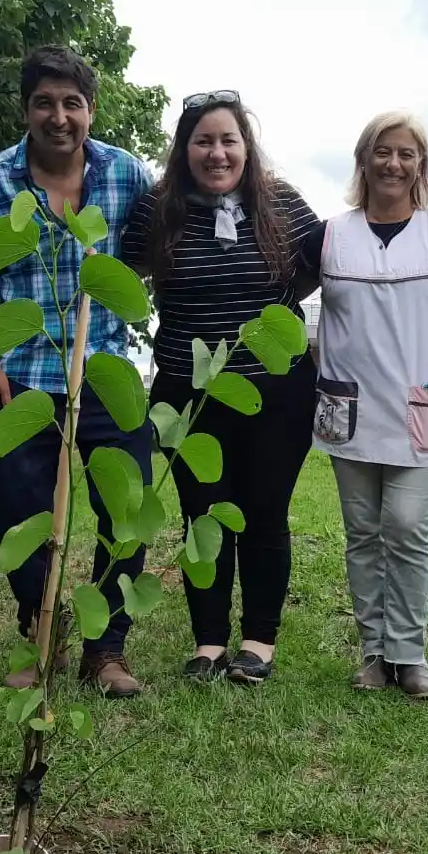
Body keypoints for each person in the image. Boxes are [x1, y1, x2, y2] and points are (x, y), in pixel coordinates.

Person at [0, 46, 155, 699]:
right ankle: (39, 631)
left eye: (72, 103)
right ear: (26, 110)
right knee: (21, 513)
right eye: (45, 102)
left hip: (103, 368)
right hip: (20, 372)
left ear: (91, 110)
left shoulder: (126, 175)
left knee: (127, 510)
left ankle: (107, 649)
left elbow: (158, 250)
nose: (59, 116)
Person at [122, 90, 319, 685]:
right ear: (184, 150)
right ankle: (208, 642)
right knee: (201, 513)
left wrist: (276, 315)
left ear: (246, 147)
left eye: (228, 140)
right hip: (187, 392)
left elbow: (321, 261)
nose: (217, 152)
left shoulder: (281, 204)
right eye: (203, 141)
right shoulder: (157, 210)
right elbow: (124, 273)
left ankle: (258, 641)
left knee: (264, 512)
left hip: (274, 391)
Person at [300, 111, 428, 700]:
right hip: (348, 409)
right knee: (361, 532)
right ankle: (373, 652)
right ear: (363, 160)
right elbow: (279, 297)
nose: (394, 164)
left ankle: (410, 651)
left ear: (421, 166)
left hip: (421, 410)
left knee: (405, 527)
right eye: (383, 151)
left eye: (407, 154)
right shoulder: (330, 236)